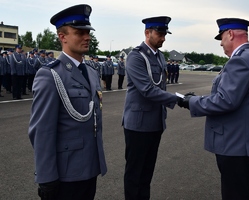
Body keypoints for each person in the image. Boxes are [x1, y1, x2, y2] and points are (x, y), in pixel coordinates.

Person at [177, 18, 249, 200]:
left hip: (237, 145)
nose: (221, 43)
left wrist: (191, 102)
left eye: (221, 37)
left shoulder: (241, 60)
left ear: (230, 34)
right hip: (245, 143)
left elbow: (225, 100)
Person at [28, 4, 107, 200]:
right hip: (66, 173)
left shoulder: (90, 71)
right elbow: (41, 132)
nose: (87, 37)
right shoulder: (50, 75)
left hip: (90, 166)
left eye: (88, 32)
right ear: (62, 37)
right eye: (79, 32)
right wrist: (46, 177)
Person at [122, 16, 178, 200]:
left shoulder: (160, 56)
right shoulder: (136, 56)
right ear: (148, 33)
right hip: (138, 124)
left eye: (164, 34)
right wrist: (179, 100)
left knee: (147, 173)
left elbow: (161, 85)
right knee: (134, 174)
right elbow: (147, 89)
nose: (163, 38)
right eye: (160, 34)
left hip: (155, 122)